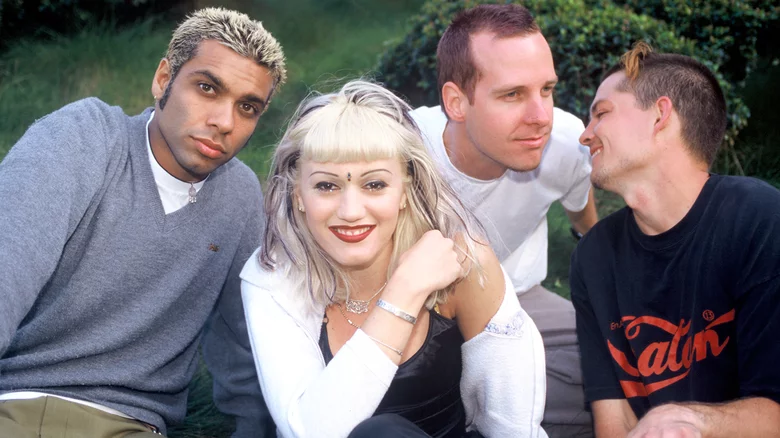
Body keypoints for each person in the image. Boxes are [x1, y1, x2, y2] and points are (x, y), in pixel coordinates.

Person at [0, 8, 285, 437]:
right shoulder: (82, 139)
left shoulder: (240, 197)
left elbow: (245, 349)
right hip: (21, 404)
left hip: (133, 424)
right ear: (163, 79)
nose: (224, 122)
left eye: (247, 107)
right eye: (207, 88)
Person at [240, 80, 548, 438]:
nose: (351, 211)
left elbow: (514, 425)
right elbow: (308, 432)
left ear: (405, 190)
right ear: (298, 196)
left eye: (374, 185)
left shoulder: (463, 264)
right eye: (326, 185)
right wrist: (404, 292)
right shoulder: (273, 277)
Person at [571, 42, 780, 437]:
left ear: (660, 115)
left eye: (601, 114)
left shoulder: (759, 221)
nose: (586, 135)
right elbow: (614, 421)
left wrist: (687, 422)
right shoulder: (594, 257)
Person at [408, 4, 597, 436]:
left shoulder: (567, 143)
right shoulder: (401, 150)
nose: (540, 116)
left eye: (546, 90)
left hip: (522, 300)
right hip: (415, 310)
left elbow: (584, 217)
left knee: (623, 370)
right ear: (456, 101)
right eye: (512, 95)